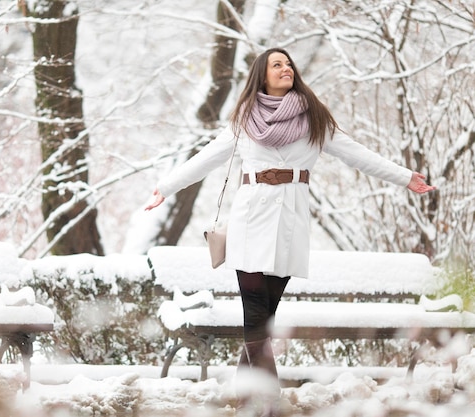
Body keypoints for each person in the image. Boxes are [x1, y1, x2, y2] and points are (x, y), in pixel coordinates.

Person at [144, 48, 436, 416]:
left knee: (265, 315)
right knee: (254, 312)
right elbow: (207, 157)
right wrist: (165, 187)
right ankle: (268, 402)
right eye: (276, 64)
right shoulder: (244, 119)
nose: (285, 68)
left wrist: (405, 177)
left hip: (289, 223)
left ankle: (245, 392)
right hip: (249, 218)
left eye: (288, 64)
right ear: (261, 76)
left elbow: (357, 154)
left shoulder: (314, 120)